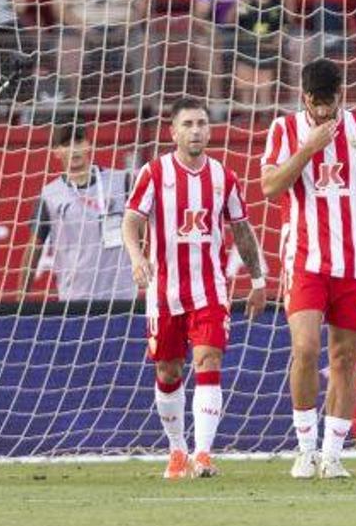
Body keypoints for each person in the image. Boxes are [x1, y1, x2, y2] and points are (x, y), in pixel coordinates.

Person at [261, 58, 356, 479]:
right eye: (315, 104)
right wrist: (308, 149)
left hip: (354, 262)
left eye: (329, 103)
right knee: (304, 349)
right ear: (304, 97)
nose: (322, 112)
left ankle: (333, 454)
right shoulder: (284, 131)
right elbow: (269, 188)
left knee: (344, 356)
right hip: (305, 259)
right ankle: (305, 449)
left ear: (341, 95)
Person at [123, 97, 268, 479]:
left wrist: (258, 280)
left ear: (210, 129)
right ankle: (177, 451)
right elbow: (131, 220)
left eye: (201, 123)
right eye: (187, 124)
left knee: (209, 361)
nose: (196, 130)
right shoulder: (153, 173)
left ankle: (203, 455)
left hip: (210, 290)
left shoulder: (224, 177)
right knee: (169, 372)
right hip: (164, 292)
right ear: (173, 132)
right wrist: (137, 258)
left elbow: (242, 230)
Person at [20, 122, 136, 302]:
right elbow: (34, 247)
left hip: (122, 297)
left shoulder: (122, 181)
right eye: (66, 144)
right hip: (75, 300)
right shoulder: (50, 195)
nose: (74, 149)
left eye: (79, 141)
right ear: (56, 152)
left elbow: (146, 230)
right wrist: (22, 299)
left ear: (88, 144)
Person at [232, 0, 283, 110]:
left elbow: (283, 26)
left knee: (264, 88)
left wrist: (277, 40)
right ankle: (245, 115)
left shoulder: (276, 5)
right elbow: (230, 21)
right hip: (246, 50)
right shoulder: (247, 3)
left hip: (267, 51)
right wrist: (242, 1)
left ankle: (265, 117)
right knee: (244, 85)